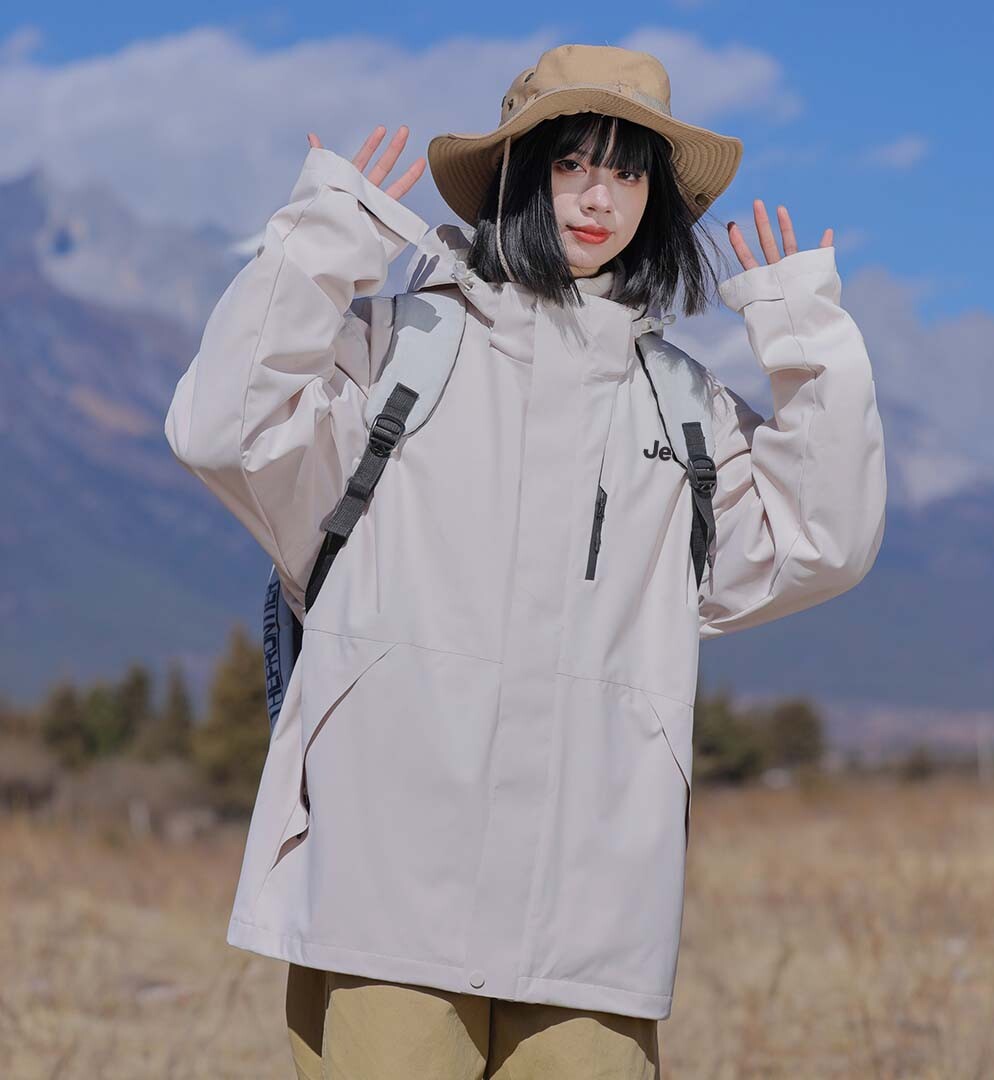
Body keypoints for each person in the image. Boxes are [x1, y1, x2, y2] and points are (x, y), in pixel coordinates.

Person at [164, 42, 887, 1080]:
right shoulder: (396, 352)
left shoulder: (683, 407)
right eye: (571, 163)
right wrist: (320, 244)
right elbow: (221, 430)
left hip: (596, 913)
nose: (600, 197)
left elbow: (823, 544)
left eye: (628, 171)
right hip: (388, 896)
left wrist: (808, 341)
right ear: (514, 172)